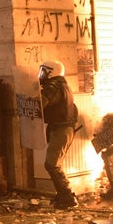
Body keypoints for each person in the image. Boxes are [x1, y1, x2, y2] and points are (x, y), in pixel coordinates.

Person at [39, 59, 79, 209]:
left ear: (51, 72)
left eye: (43, 71)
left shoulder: (54, 87)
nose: (41, 75)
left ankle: (67, 197)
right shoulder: (63, 85)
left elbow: (42, 102)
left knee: (52, 164)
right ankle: (64, 195)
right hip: (63, 128)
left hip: (61, 129)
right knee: (53, 164)